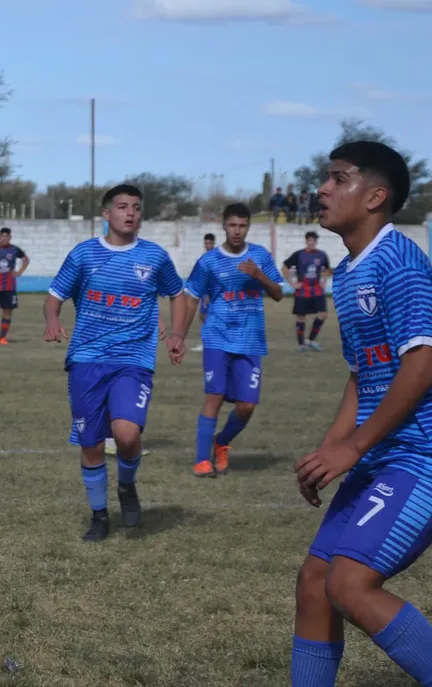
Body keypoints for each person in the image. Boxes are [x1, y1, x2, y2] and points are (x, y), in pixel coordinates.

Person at [292, 141, 432, 686]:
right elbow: (363, 373)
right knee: (315, 581)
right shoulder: (348, 272)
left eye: (337, 178)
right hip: (380, 457)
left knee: (349, 585)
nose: (322, 190)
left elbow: (421, 365)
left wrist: (352, 446)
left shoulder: (400, 262)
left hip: (419, 457)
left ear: (375, 196)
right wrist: (332, 446)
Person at [44, 184, 187, 542]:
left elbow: (177, 295)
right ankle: (99, 516)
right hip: (86, 360)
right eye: (123, 207)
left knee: (127, 433)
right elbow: (54, 297)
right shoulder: (84, 255)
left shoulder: (154, 257)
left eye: (137, 207)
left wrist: (178, 334)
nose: (131, 213)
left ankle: (126, 485)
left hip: (133, 361)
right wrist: (51, 319)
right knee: (90, 443)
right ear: (107, 214)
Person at [177, 203, 284, 478]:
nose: (237, 231)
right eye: (233, 225)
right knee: (214, 396)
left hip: (250, 340)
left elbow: (278, 293)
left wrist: (259, 276)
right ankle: (202, 461)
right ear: (224, 226)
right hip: (217, 336)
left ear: (248, 227)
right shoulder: (209, 262)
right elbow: (190, 298)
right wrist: (179, 335)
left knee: (247, 405)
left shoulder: (260, 256)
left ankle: (221, 442)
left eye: (243, 226)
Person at [282, 231, 332, 352]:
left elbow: (327, 269)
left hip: (316, 289)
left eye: (314, 241)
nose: (312, 243)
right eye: (309, 240)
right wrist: (292, 283)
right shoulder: (299, 254)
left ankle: (310, 340)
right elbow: (284, 267)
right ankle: (301, 344)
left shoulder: (322, 255)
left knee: (323, 314)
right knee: (301, 317)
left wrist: (324, 281)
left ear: (316, 242)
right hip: (303, 289)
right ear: (306, 241)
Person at [190, 232, 216, 353]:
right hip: (205, 293)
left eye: (210, 243)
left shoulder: (217, 258)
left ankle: (209, 343)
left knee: (208, 317)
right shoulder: (203, 258)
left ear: (213, 243)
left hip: (214, 294)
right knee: (203, 317)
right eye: (206, 243)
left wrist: (210, 294)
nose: (207, 245)